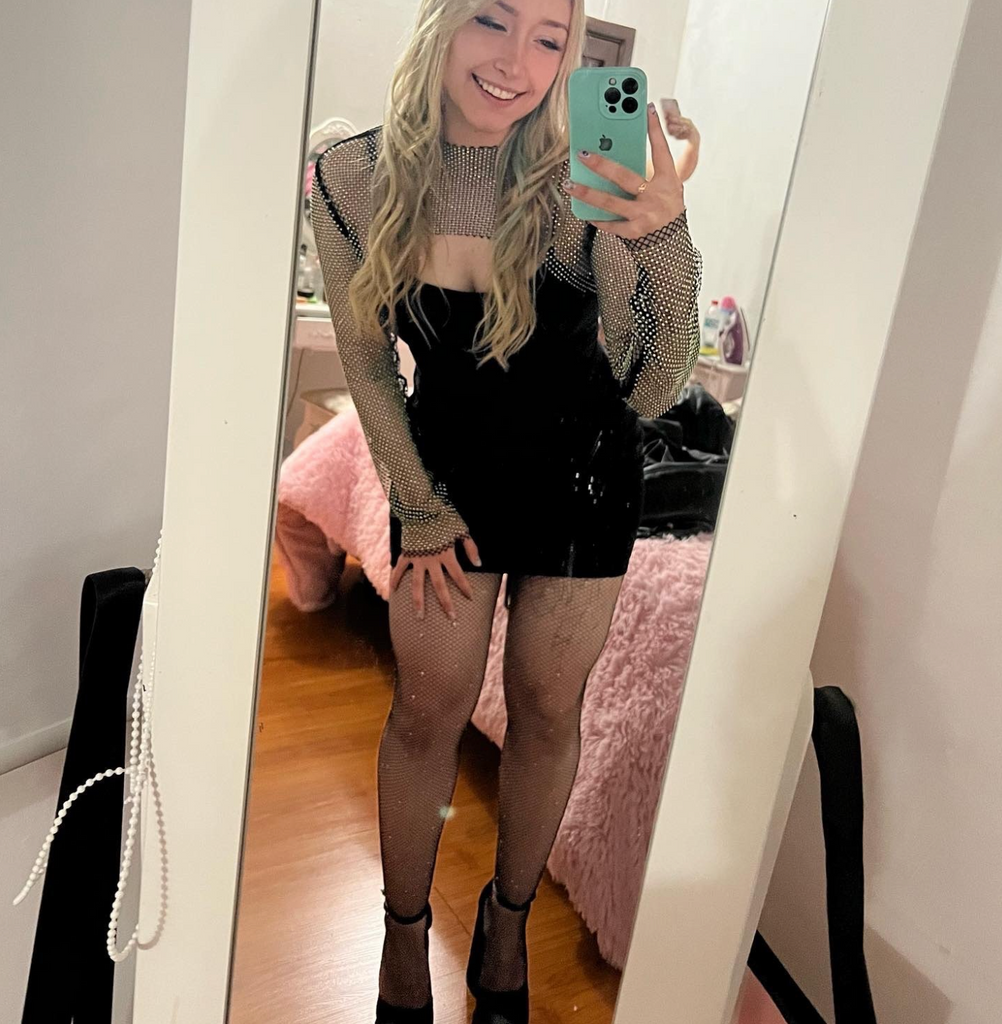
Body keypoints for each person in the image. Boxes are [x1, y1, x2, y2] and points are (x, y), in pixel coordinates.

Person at [309, 0, 701, 1021]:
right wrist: (416, 502)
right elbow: (367, 362)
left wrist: (664, 238)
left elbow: (655, 383)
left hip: (585, 479)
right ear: (440, 18)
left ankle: (507, 919)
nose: (517, 62)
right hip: (445, 478)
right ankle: (403, 936)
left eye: (550, 38)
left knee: (547, 713)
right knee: (424, 713)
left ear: (570, 57)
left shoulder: (584, 173)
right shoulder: (349, 176)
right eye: (492, 18)